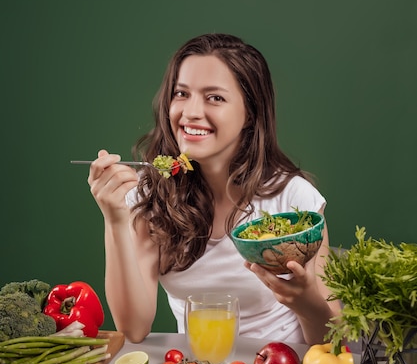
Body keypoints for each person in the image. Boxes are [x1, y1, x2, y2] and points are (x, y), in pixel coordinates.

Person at [88, 33, 340, 345]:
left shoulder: (294, 201)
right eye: (181, 93)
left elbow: (333, 345)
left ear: (250, 113)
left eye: (214, 98)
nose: (191, 112)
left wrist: (307, 303)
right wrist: (114, 219)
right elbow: (134, 328)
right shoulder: (151, 195)